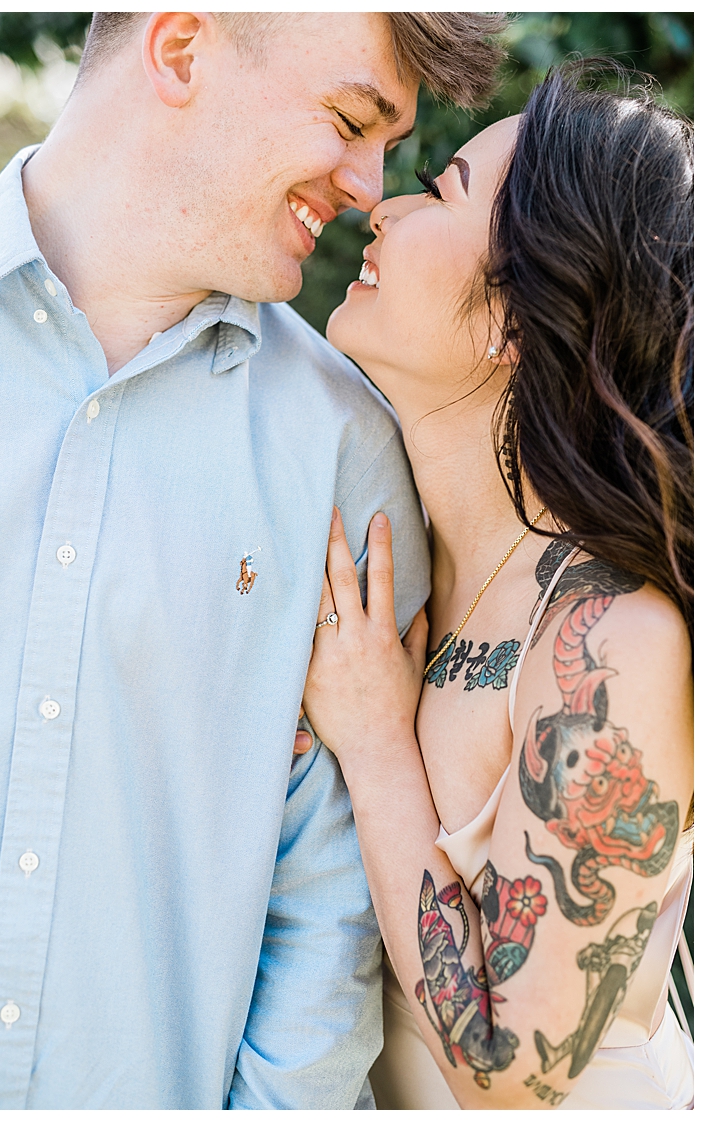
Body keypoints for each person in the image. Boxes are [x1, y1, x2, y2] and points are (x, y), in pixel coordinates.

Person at [0, 11, 507, 1109]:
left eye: (397, 149)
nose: (368, 186)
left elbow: (331, 908)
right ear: (180, 49)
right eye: (354, 121)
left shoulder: (347, 450)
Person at [304, 64, 693, 1109]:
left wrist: (377, 741)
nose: (381, 207)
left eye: (441, 192)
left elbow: (507, 1068)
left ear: (515, 319)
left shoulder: (614, 635)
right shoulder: (398, 553)